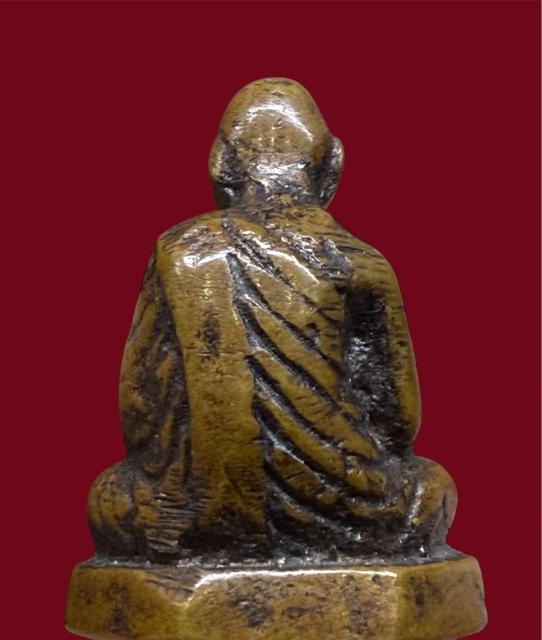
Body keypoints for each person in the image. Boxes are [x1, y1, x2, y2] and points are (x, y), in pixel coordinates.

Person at [88, 78, 456, 565]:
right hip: (345, 510)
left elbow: (138, 410)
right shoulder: (359, 262)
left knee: (110, 496)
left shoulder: (178, 251)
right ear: (334, 166)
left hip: (187, 516)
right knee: (430, 488)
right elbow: (398, 422)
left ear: (220, 164)